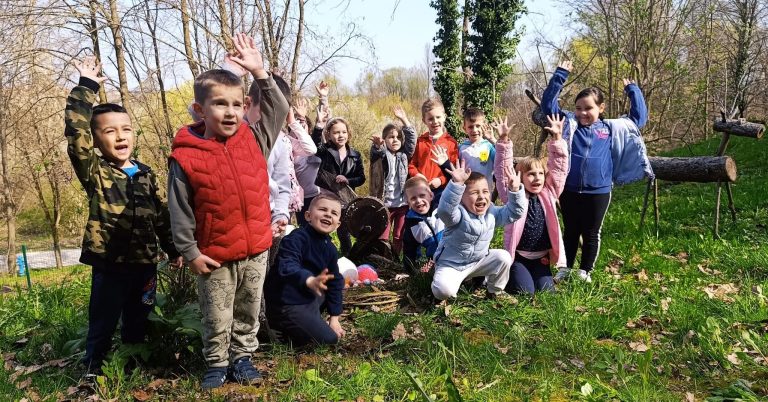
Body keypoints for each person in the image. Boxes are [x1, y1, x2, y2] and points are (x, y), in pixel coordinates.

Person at [167, 33, 289, 389]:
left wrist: (260, 72)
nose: (231, 113)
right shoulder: (185, 156)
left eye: (237, 104)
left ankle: (242, 358)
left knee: (249, 310)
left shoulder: (254, 139)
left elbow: (278, 109)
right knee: (217, 313)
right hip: (215, 254)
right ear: (200, 110)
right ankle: (217, 363)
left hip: (256, 249)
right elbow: (179, 208)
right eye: (220, 105)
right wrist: (189, 252)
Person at [65, 57, 182, 376]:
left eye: (126, 129)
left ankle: (133, 363)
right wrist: (86, 87)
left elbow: (160, 216)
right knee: (102, 319)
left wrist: (172, 249)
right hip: (109, 264)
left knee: (138, 317)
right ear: (96, 139)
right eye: (109, 132)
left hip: (144, 264)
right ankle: (94, 368)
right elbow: (76, 136)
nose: (120, 137)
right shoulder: (96, 172)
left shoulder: (146, 174)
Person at [541, 60, 651, 283]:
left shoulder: (610, 128)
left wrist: (633, 91)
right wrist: (560, 75)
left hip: (599, 190)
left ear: (601, 108)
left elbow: (638, 120)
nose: (582, 113)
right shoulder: (569, 124)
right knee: (570, 230)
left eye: (588, 108)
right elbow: (548, 107)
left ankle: (585, 271)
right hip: (569, 188)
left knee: (591, 232)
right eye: (579, 108)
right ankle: (565, 268)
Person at [430, 159, 527, 301]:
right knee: (443, 291)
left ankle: (495, 291)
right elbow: (445, 211)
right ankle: (439, 276)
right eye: (475, 192)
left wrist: (515, 191)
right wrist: (456, 185)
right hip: (452, 265)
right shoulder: (457, 214)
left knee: (503, 257)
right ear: (461, 198)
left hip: (478, 262)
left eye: (485, 191)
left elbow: (514, 213)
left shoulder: (492, 213)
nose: (481, 196)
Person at [494, 114, 569, 294]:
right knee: (524, 292)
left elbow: (559, 168)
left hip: (541, 257)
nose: (537, 178)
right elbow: (503, 173)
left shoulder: (550, 193)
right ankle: (510, 274)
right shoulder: (514, 195)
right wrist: (504, 141)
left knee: (547, 292)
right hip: (519, 256)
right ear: (520, 177)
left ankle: (539, 275)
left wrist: (557, 139)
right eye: (530, 174)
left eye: (540, 174)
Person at [264, 194, 346, 347]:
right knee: (329, 340)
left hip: (308, 299)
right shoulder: (296, 238)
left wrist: (334, 318)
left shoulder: (330, 249)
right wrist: (308, 280)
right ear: (308, 216)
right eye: (322, 209)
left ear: (338, 224)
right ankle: (280, 329)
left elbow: (334, 281)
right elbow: (287, 265)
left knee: (333, 283)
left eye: (334, 213)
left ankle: (309, 323)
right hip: (287, 303)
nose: (328, 214)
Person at [369, 106, 417, 257]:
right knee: (383, 236)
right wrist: (378, 145)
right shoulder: (383, 156)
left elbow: (411, 141)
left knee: (398, 236)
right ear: (385, 140)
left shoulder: (404, 155)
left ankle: (396, 259)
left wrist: (404, 120)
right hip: (385, 204)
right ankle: (383, 258)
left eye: (398, 137)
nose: (395, 140)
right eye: (391, 137)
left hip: (402, 204)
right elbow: (377, 152)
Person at [314, 116, 366, 255]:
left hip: (346, 198)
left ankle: (347, 256)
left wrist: (348, 180)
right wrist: (319, 126)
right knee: (325, 226)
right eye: (336, 132)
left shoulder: (355, 155)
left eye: (343, 132)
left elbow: (361, 178)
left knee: (344, 231)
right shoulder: (325, 151)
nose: (340, 135)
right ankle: (323, 254)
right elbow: (315, 144)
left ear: (348, 133)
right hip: (328, 197)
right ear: (329, 135)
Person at [408, 98, 459, 206]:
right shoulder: (420, 141)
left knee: (440, 220)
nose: (435, 121)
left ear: (444, 117)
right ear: (424, 120)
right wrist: (417, 175)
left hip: (442, 191)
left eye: (438, 117)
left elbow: (454, 169)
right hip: (421, 190)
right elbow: (412, 165)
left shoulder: (451, 143)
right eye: (430, 119)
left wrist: (441, 180)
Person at [295, 81, 331, 227]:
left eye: (303, 124)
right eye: (296, 123)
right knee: (304, 231)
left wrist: (323, 98)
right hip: (299, 198)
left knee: (319, 229)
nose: (300, 127)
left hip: (317, 195)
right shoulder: (289, 148)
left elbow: (322, 122)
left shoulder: (314, 147)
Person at [401, 176, 445, 273]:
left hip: (457, 254)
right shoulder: (411, 223)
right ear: (408, 202)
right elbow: (409, 249)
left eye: (422, 195)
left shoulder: (442, 208)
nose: (418, 200)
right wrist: (411, 271)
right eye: (413, 198)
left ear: (431, 195)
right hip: (436, 262)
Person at [458, 107, 496, 190]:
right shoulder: (461, 148)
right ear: (465, 129)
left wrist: (493, 140)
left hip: (485, 191)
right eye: (470, 127)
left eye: (478, 126)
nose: (474, 130)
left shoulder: (489, 146)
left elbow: (501, 158)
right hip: (467, 191)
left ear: (484, 126)